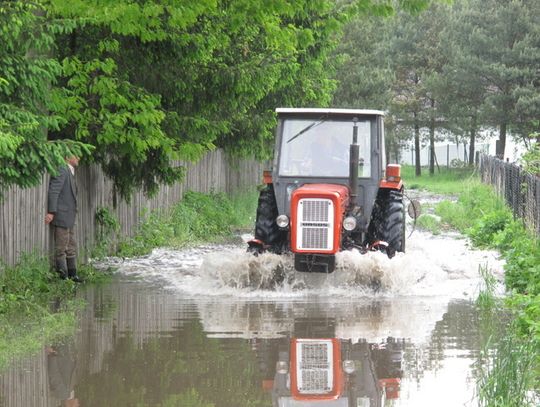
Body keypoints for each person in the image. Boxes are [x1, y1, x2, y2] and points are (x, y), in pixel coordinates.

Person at [45, 156, 82, 282]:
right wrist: (51, 211)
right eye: (75, 155)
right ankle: (63, 276)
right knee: (61, 246)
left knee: (71, 245)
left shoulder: (70, 171)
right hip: (61, 215)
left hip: (69, 215)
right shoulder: (62, 169)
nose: (79, 157)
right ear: (67, 157)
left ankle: (73, 274)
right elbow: (54, 191)